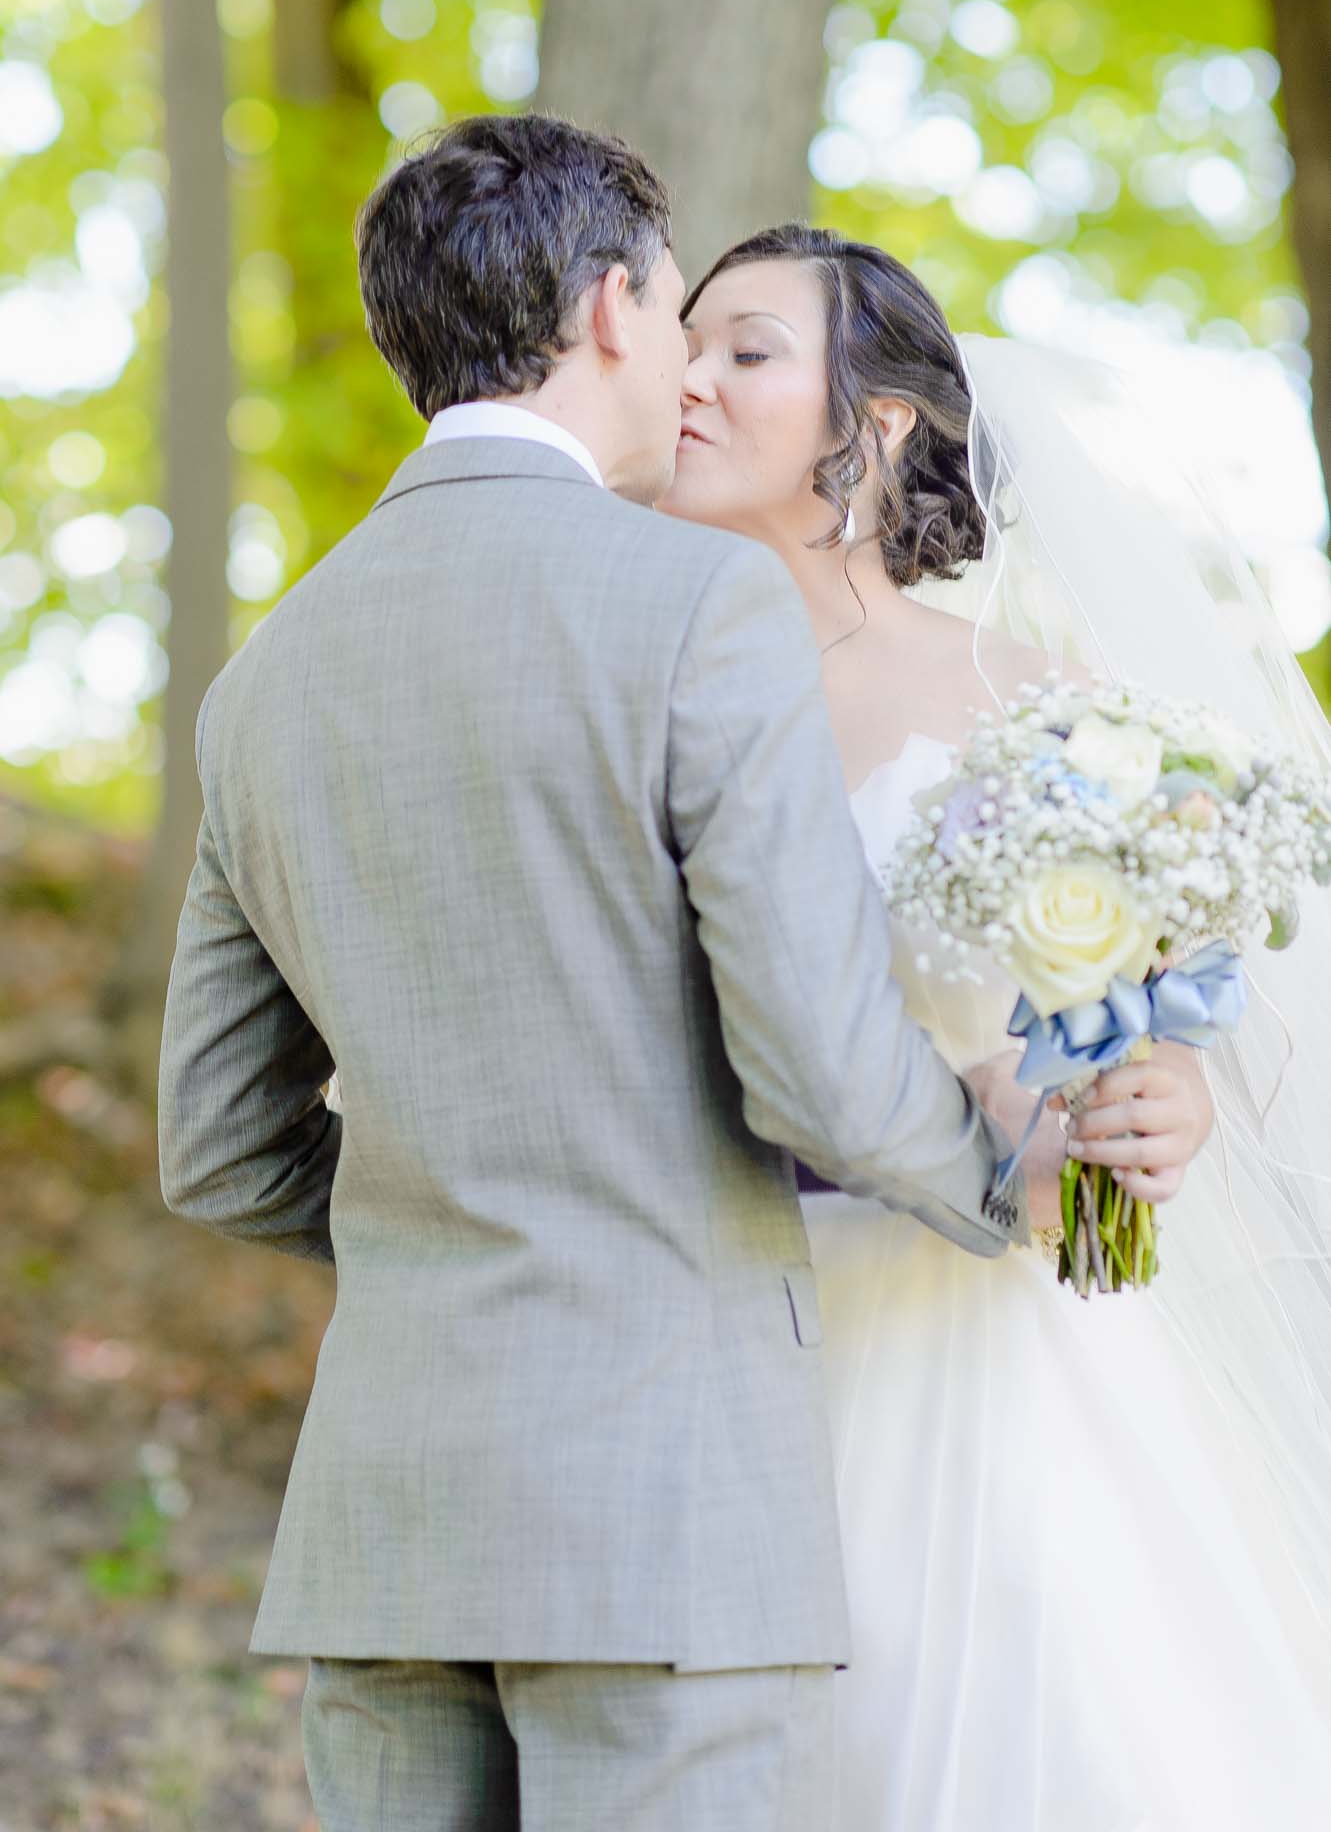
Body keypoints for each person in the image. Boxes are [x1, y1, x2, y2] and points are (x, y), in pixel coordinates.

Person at [156, 117, 1051, 1832]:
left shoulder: (264, 682)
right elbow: (811, 1065)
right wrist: (998, 1169)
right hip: (666, 1501)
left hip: (388, 1520)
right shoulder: (692, 607)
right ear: (618, 306)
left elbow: (219, 1145)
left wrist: (456, 1203)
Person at [659, 221, 1331, 1830]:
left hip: (998, 1346)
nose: (685, 378)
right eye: (683, 344)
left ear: (874, 423)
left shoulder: (1038, 703)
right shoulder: (641, 689)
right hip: (721, 1344)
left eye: (743, 349)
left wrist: (1159, 1093)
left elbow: (1163, 1013)